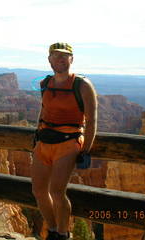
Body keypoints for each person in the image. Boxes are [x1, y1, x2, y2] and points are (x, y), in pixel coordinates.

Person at [31, 42, 98, 240]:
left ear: (71, 59)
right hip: (44, 142)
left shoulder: (82, 85)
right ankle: (52, 230)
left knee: (57, 191)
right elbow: (44, 110)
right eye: (56, 55)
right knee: (39, 191)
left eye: (64, 56)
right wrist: (36, 135)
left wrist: (85, 151)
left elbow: (92, 120)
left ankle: (63, 233)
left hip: (69, 143)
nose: (60, 59)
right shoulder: (45, 83)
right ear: (49, 59)